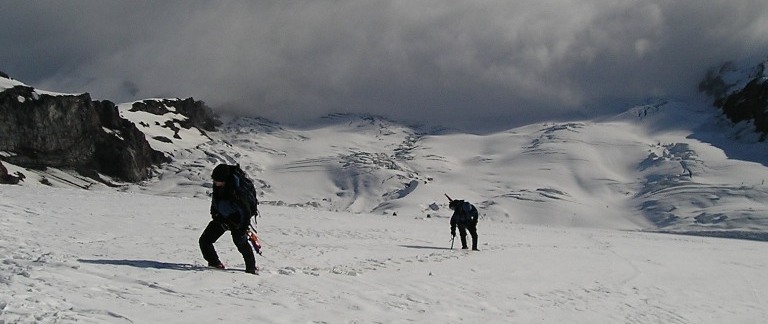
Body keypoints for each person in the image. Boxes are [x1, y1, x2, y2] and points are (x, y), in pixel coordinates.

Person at [199, 164, 257, 274]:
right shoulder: (218, 186)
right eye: (214, 180)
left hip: (237, 221)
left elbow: (245, 211)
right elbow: (215, 201)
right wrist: (215, 214)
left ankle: (251, 268)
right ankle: (214, 263)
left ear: (225, 179)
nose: (215, 182)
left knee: (241, 243)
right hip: (222, 218)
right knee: (204, 241)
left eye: (218, 180)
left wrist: (243, 227)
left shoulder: (236, 190)